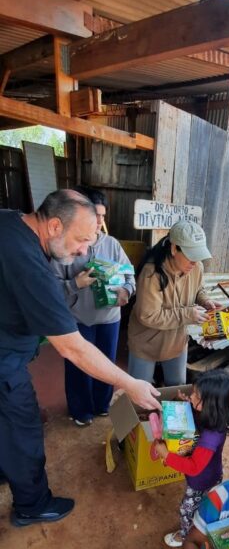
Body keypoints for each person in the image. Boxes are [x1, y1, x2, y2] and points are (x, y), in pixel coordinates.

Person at [0, 190, 160, 528]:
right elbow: (72, 348)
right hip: (4, 363)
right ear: (55, 225)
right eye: (82, 240)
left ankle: (5, 466)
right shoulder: (31, 264)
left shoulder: (8, 221)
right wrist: (129, 382)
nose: (85, 251)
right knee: (21, 426)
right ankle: (32, 505)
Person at [51, 186, 135, 426]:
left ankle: (101, 405)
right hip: (78, 318)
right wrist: (76, 283)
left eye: (102, 216)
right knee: (79, 365)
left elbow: (130, 274)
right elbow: (51, 285)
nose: (99, 222)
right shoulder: (66, 243)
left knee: (106, 363)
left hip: (109, 318)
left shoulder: (112, 245)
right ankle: (81, 411)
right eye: (94, 215)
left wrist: (126, 291)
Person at [127, 220, 221, 386]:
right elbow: (148, 315)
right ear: (173, 248)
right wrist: (187, 314)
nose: (196, 261)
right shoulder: (152, 273)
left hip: (176, 341)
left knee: (177, 388)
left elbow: (198, 289)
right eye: (191, 255)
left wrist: (205, 301)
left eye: (199, 255)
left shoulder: (196, 267)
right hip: (146, 343)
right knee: (140, 392)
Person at [154, 370, 229, 547]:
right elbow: (197, 423)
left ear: (211, 404)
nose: (191, 396)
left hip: (200, 480)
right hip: (210, 475)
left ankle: (185, 536)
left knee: (187, 510)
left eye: (195, 395)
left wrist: (166, 455)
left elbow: (193, 467)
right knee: (204, 506)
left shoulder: (210, 437)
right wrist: (188, 405)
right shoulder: (214, 417)